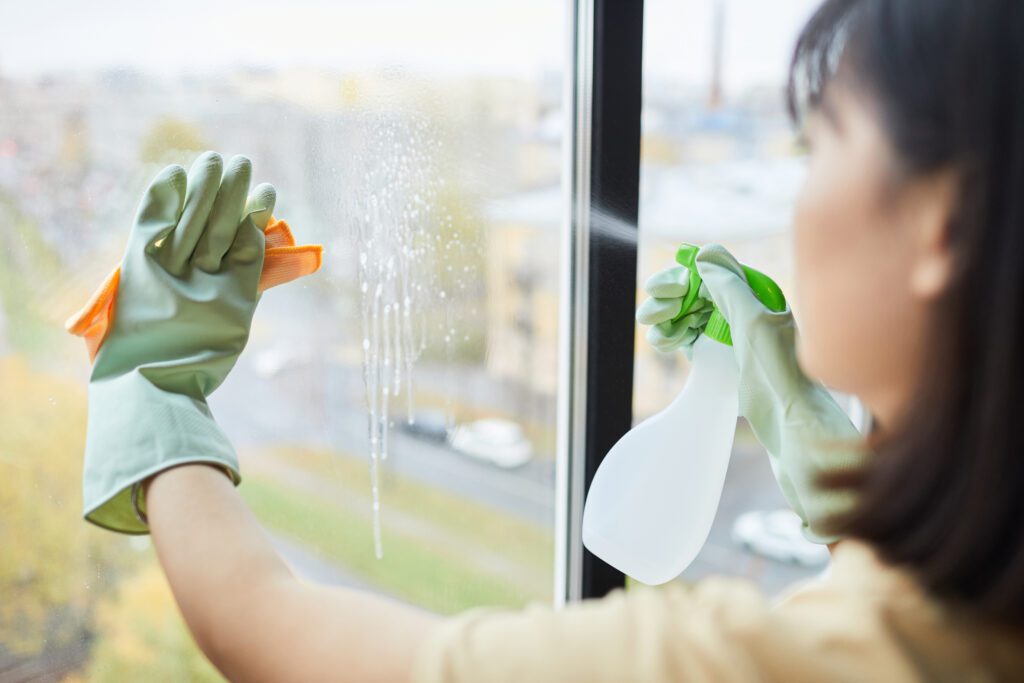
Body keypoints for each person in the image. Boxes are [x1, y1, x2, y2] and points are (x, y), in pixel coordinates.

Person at [69, 0, 1024, 679]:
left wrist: (152, 391)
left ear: (939, 222)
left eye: (819, 146)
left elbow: (268, 630)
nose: (800, 195)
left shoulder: (774, 661)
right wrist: (804, 422)